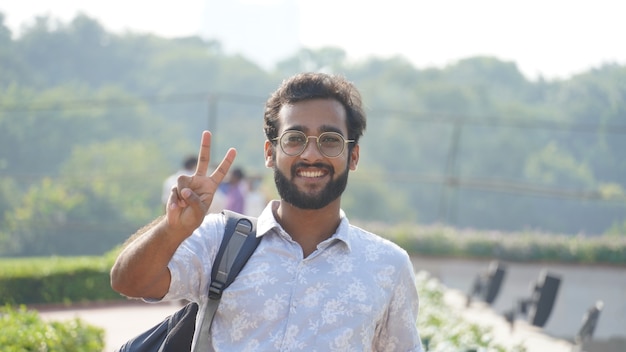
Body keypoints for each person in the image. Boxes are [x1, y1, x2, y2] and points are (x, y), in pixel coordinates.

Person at [111, 72, 424, 351]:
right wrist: (172, 229)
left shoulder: (388, 266)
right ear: (270, 153)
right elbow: (129, 282)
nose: (311, 154)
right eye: (294, 139)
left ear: (353, 156)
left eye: (330, 140)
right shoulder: (220, 240)